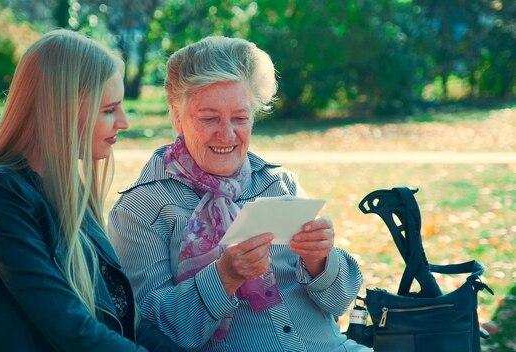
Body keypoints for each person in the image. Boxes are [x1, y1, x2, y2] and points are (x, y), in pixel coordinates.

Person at [109, 36, 370, 351]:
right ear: (177, 117)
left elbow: (340, 301)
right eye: (209, 118)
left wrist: (320, 260)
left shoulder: (277, 183)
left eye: (240, 118)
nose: (227, 134)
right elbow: (149, 331)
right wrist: (224, 277)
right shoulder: (140, 208)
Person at [0, 29, 182, 352]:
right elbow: (70, 329)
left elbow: (126, 320)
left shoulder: (67, 191)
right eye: (109, 110)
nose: (124, 122)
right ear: (62, 111)